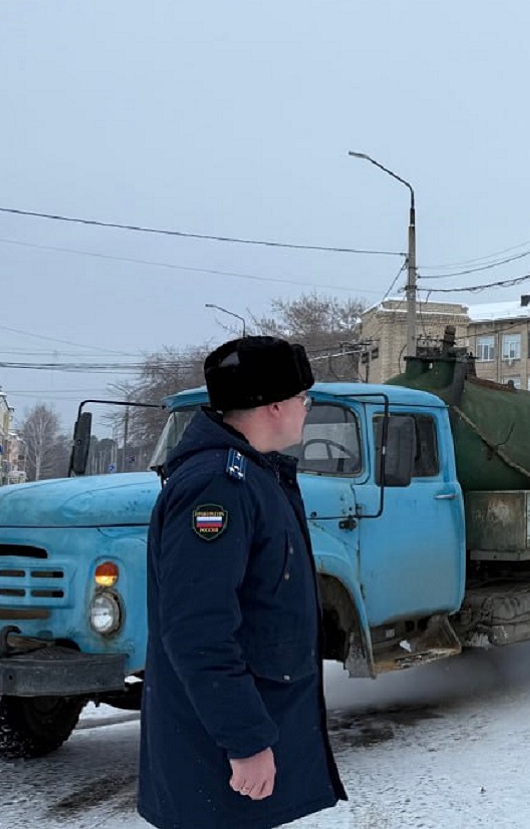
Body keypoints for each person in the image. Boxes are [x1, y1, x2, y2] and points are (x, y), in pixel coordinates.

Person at [138, 336, 346, 829]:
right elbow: (198, 631)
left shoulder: (255, 475)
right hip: (214, 750)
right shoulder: (219, 487)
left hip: (239, 733)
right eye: (302, 399)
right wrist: (247, 740)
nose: (305, 408)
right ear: (273, 406)